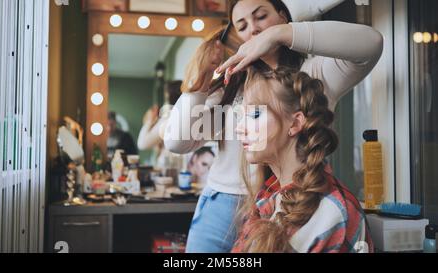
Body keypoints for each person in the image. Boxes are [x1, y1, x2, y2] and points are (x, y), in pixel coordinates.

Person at [164, 0, 383, 253]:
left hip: (296, 201)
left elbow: (371, 43)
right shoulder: (231, 87)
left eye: (261, 17)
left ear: (282, 17)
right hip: (224, 204)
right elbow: (176, 142)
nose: (254, 30)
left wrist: (281, 34)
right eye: (242, 25)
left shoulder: (312, 75)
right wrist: (200, 82)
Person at [233, 66, 373, 253]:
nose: (239, 128)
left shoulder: (333, 212)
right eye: (241, 116)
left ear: (296, 123)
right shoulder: (269, 197)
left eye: (255, 114)